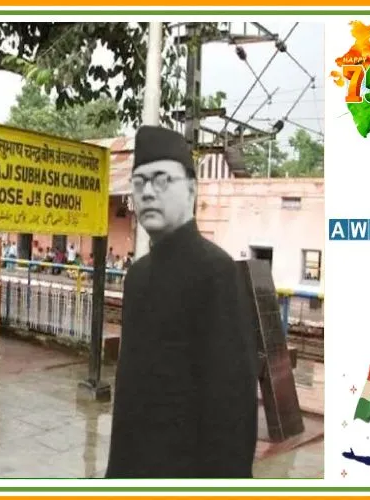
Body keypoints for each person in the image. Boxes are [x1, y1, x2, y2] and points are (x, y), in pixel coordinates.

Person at [105, 125, 258, 478]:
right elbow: (128, 398)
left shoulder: (216, 272)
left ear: (191, 188)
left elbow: (233, 407)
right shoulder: (137, 277)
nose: (147, 193)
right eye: (139, 182)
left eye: (161, 180)